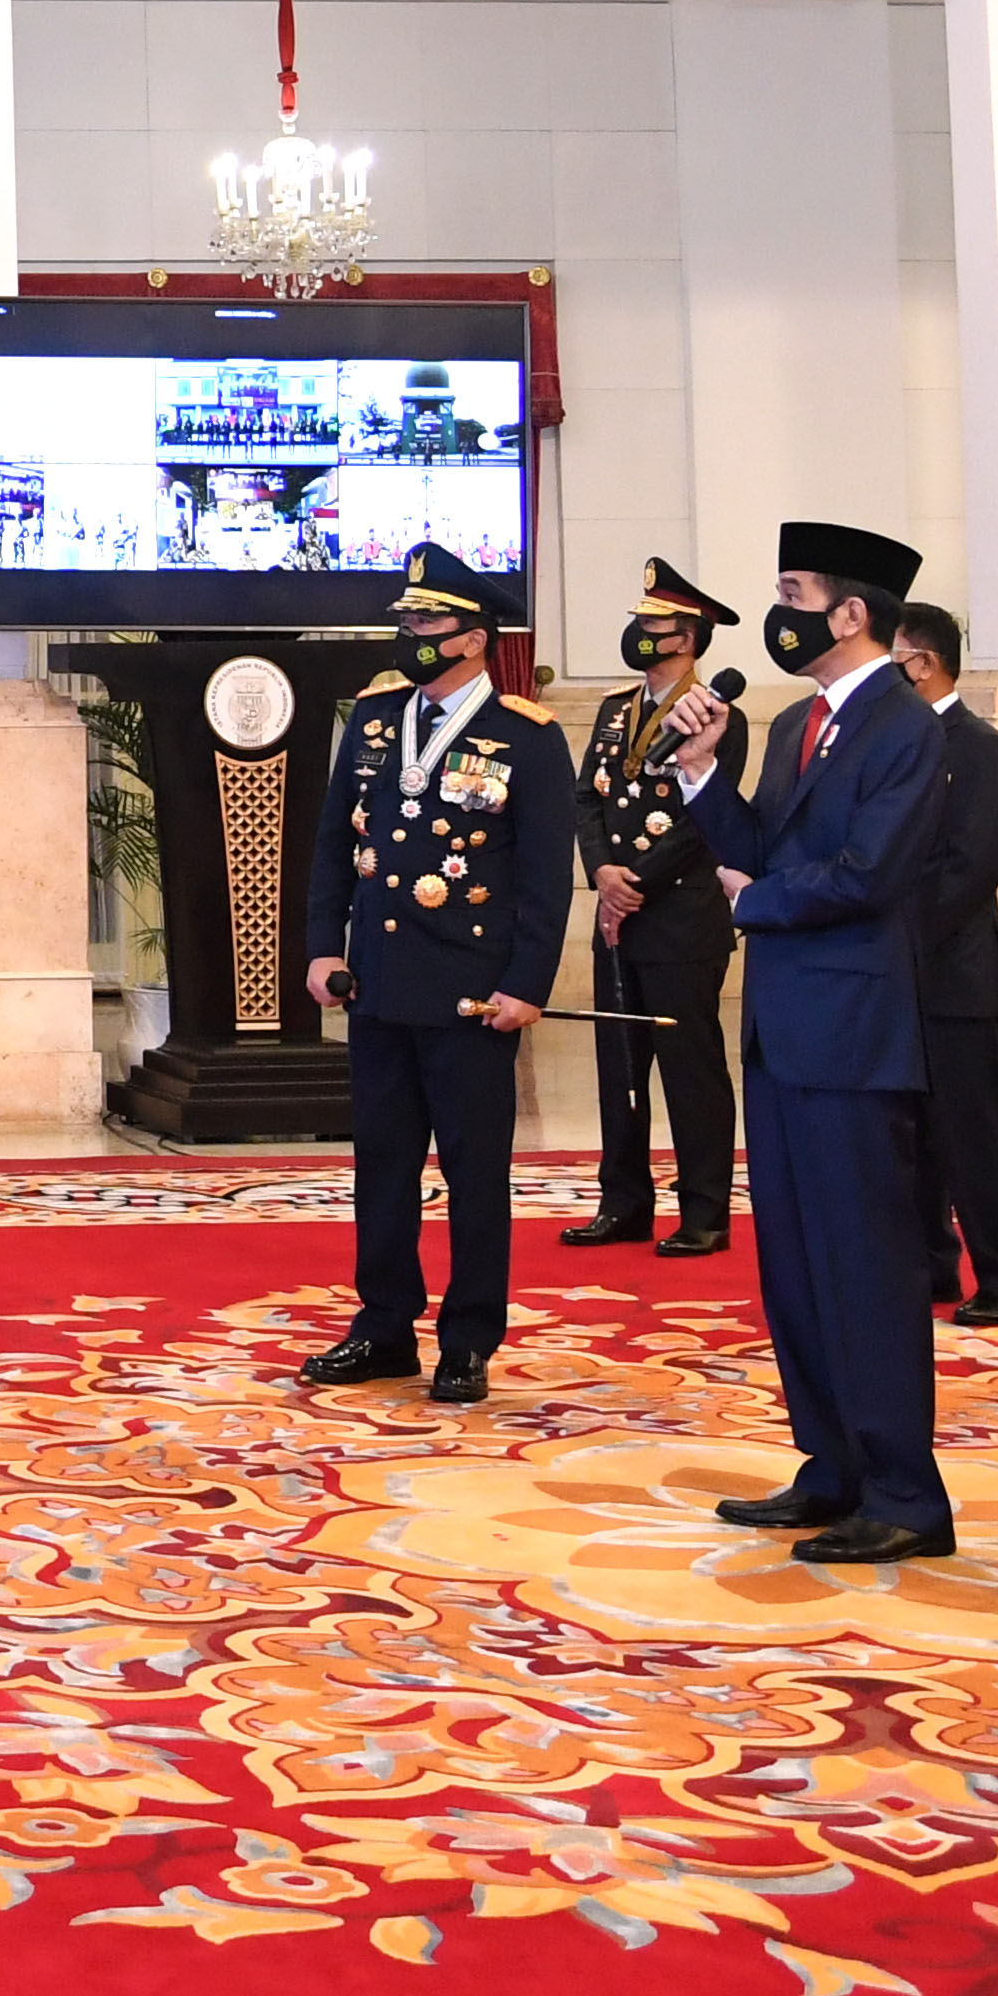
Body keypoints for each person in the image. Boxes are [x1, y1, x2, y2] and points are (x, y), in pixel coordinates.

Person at [652, 518, 953, 1563]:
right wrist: (700, 776)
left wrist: (760, 899)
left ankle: (904, 1494)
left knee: (863, 1263)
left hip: (852, 1035)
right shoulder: (792, 726)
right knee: (792, 1264)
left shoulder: (904, 729)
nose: (775, 612)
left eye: (790, 591)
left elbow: (869, 875)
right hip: (781, 1031)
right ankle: (829, 1466)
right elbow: (756, 854)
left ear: (849, 612)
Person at [295, 544, 577, 1406]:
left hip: (470, 993)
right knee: (381, 1164)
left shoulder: (525, 738)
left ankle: (468, 1336)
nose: (410, 633)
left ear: (473, 637)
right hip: (377, 984)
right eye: (407, 620)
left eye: (427, 622)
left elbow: (540, 875)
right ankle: (383, 1325)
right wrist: (322, 946)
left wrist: (528, 983)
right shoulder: (376, 720)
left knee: (473, 1169)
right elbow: (334, 848)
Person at [565, 556, 747, 1258]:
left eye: (655, 624)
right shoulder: (616, 709)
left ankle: (704, 1209)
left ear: (689, 637)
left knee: (690, 1068)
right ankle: (624, 1200)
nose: (640, 633)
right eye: (638, 622)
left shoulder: (717, 717)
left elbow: (707, 821)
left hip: (679, 918)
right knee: (619, 1066)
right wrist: (602, 872)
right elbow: (588, 796)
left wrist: (633, 878)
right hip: (615, 915)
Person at [891, 602, 998, 1327]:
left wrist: (897, 941)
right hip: (893, 977)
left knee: (971, 1132)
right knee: (909, 1133)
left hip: (955, 973)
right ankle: (928, 1262)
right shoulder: (894, 741)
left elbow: (970, 869)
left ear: (921, 662)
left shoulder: (979, 747)